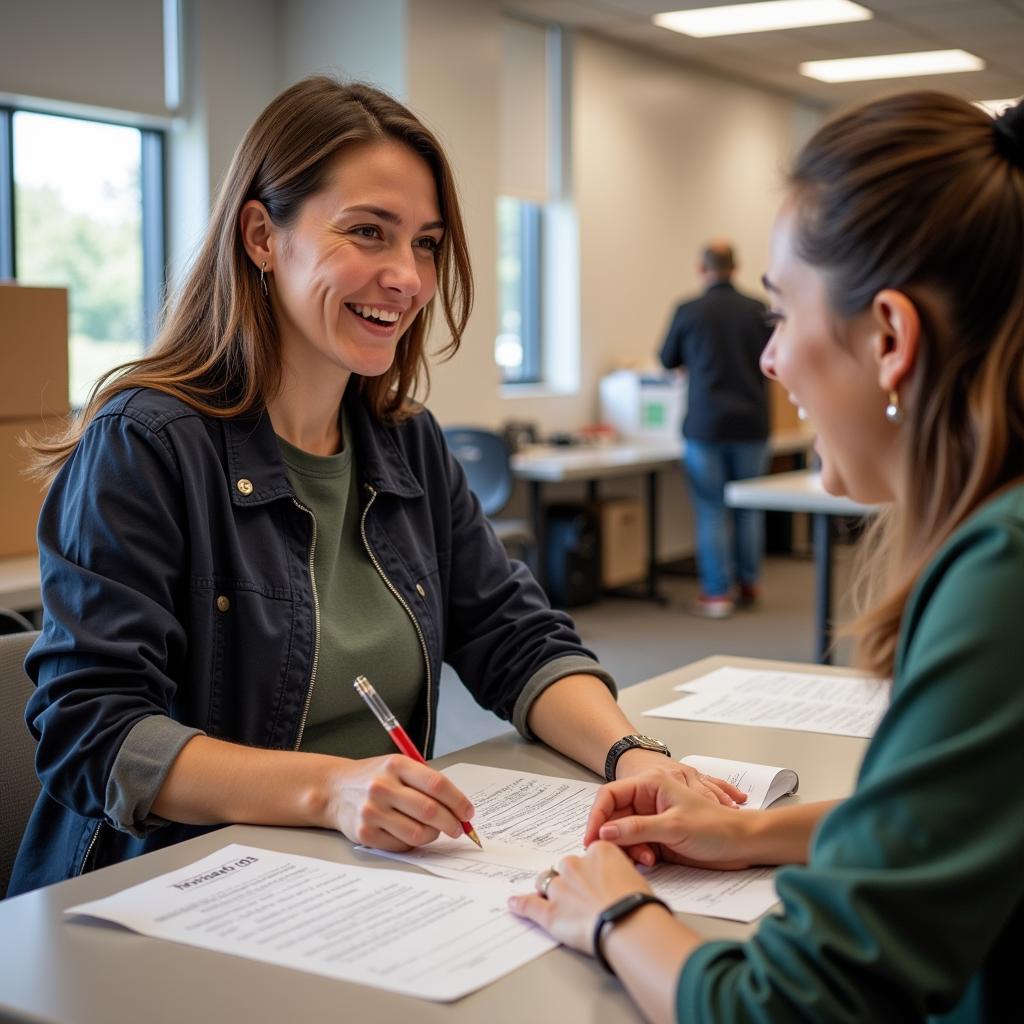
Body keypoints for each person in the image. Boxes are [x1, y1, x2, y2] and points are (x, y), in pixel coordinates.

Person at [7, 77, 743, 898]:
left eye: (426, 243)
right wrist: (331, 788)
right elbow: (92, 733)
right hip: (174, 891)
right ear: (260, 234)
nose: (408, 277)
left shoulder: (401, 441)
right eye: (368, 233)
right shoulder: (145, 443)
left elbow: (514, 637)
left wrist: (633, 755)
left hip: (360, 882)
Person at [511, 91, 1024, 1023]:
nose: (772, 359)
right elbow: (942, 832)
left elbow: (791, 1006)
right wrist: (747, 831)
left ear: (892, 339)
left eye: (783, 315)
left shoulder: (1004, 574)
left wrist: (617, 914)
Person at [659, 241, 772, 618]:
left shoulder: (689, 310)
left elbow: (666, 359)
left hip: (705, 426)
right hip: (752, 424)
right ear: (736, 267)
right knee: (748, 508)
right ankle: (750, 583)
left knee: (711, 509)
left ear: (700, 268)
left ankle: (716, 594)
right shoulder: (758, 309)